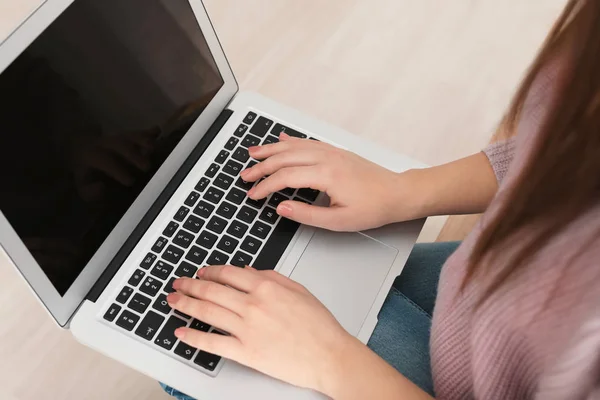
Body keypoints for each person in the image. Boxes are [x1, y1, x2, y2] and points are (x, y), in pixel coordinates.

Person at [162, 0, 600, 398]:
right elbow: (562, 152)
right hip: (497, 302)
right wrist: (405, 189)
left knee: (182, 344)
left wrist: (330, 360)